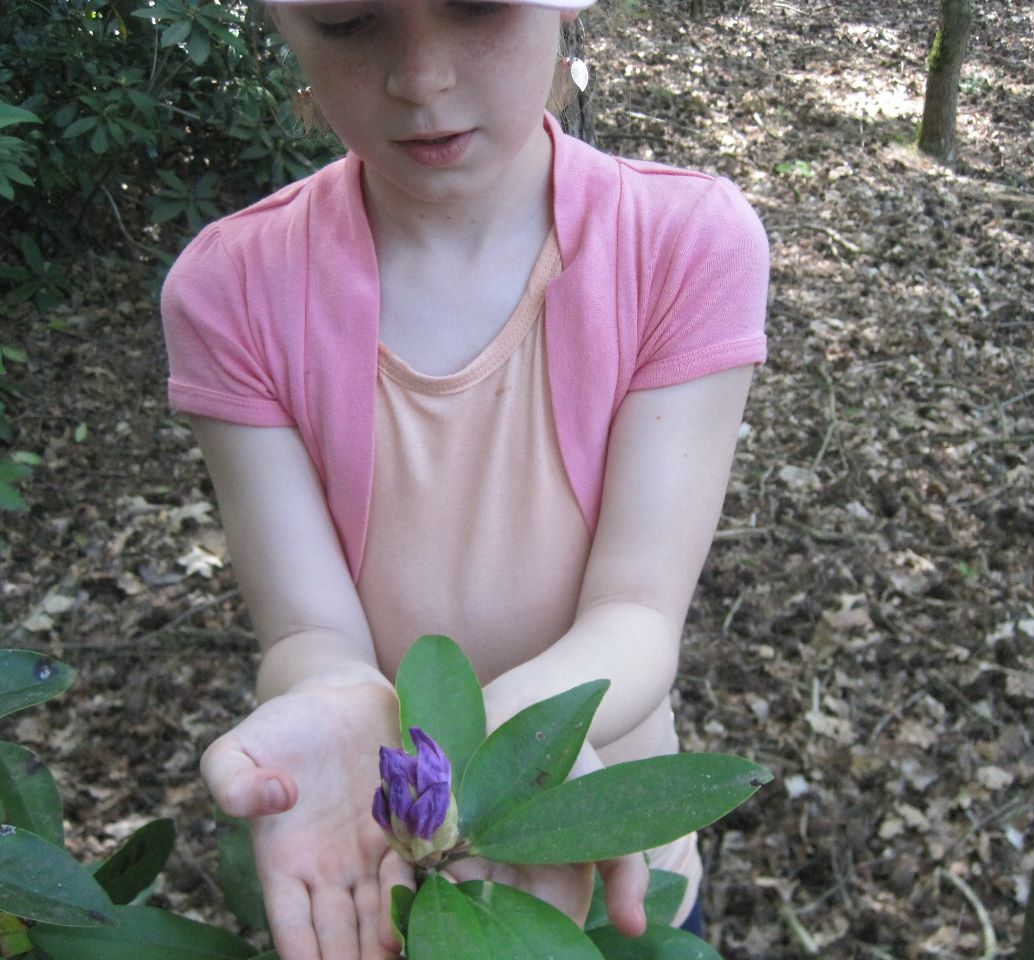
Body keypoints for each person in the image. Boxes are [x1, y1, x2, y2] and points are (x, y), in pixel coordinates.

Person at [160, 1, 769, 957]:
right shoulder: (232, 289)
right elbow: (312, 631)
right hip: (379, 875)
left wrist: (503, 756)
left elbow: (639, 612)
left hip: (611, 864)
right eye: (350, 22)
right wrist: (329, 704)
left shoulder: (682, 244)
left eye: (477, 6)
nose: (420, 77)